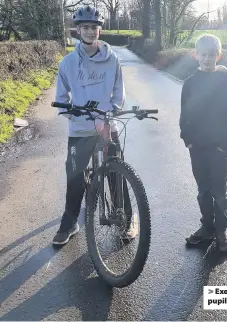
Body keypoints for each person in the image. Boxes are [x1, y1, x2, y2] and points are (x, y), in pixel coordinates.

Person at [53, 5, 132, 245]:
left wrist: (114, 109)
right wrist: (72, 114)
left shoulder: (112, 60)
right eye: (85, 27)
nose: (90, 31)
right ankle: (69, 223)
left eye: (94, 27)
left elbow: (119, 91)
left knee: (117, 172)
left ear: (100, 30)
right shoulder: (67, 63)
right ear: (77, 30)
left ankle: (126, 218)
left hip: (107, 126)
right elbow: (61, 98)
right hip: (80, 129)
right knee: (75, 176)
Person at [179, 34, 227, 252]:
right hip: (197, 147)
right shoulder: (190, 83)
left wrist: (226, 143)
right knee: (203, 189)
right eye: (203, 54)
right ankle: (207, 227)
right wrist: (188, 141)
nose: (207, 58)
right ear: (196, 55)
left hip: (218, 147)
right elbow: (184, 114)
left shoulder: (226, 82)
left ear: (218, 56)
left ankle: (221, 230)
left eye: (211, 55)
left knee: (219, 191)